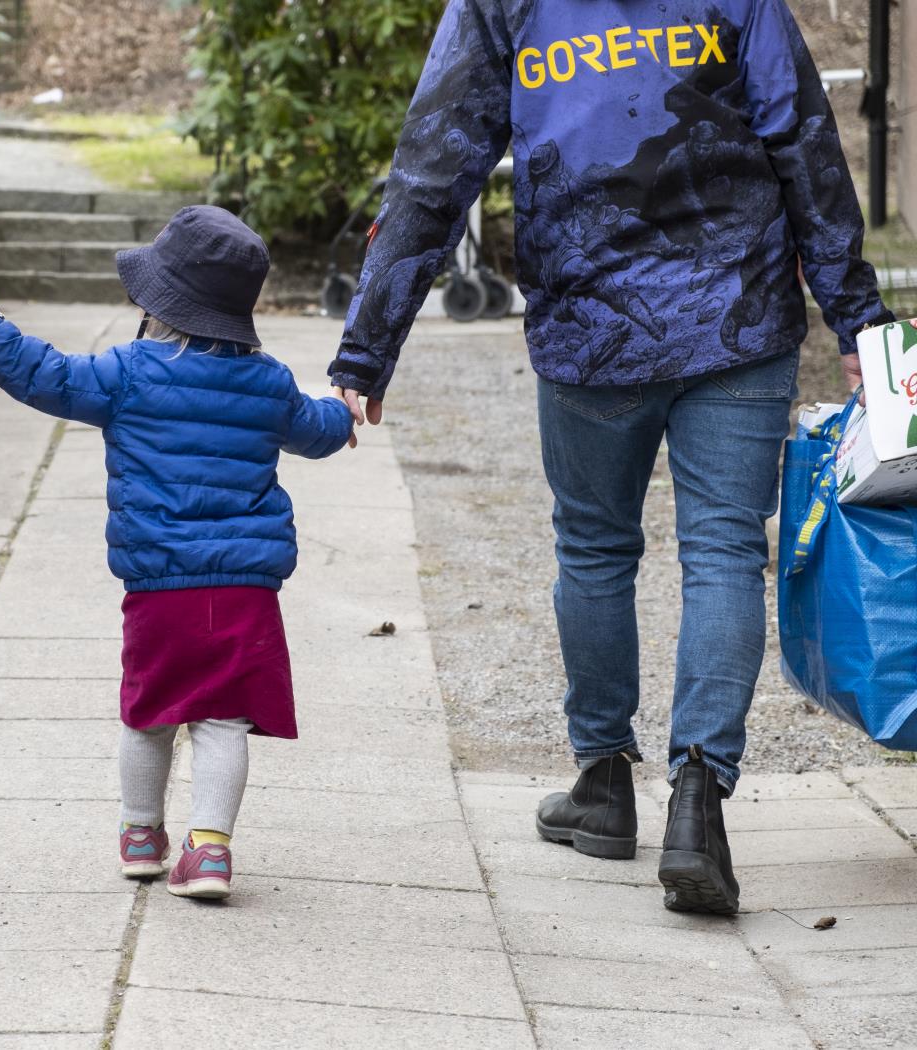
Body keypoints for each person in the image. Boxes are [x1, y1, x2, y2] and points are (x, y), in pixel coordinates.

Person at [327, 0, 893, 914]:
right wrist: (861, 322)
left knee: (594, 549)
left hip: (592, 334)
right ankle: (698, 804)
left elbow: (436, 167)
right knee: (723, 553)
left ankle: (602, 784)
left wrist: (368, 348)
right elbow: (805, 144)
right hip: (738, 320)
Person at [0, 206, 354, 899]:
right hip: (244, 590)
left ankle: (141, 833)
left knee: (150, 711)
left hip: (159, 586)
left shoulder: (128, 373)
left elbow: (43, 374)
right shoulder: (266, 383)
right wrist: (345, 408)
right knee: (222, 719)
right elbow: (317, 429)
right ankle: (209, 852)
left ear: (159, 304)